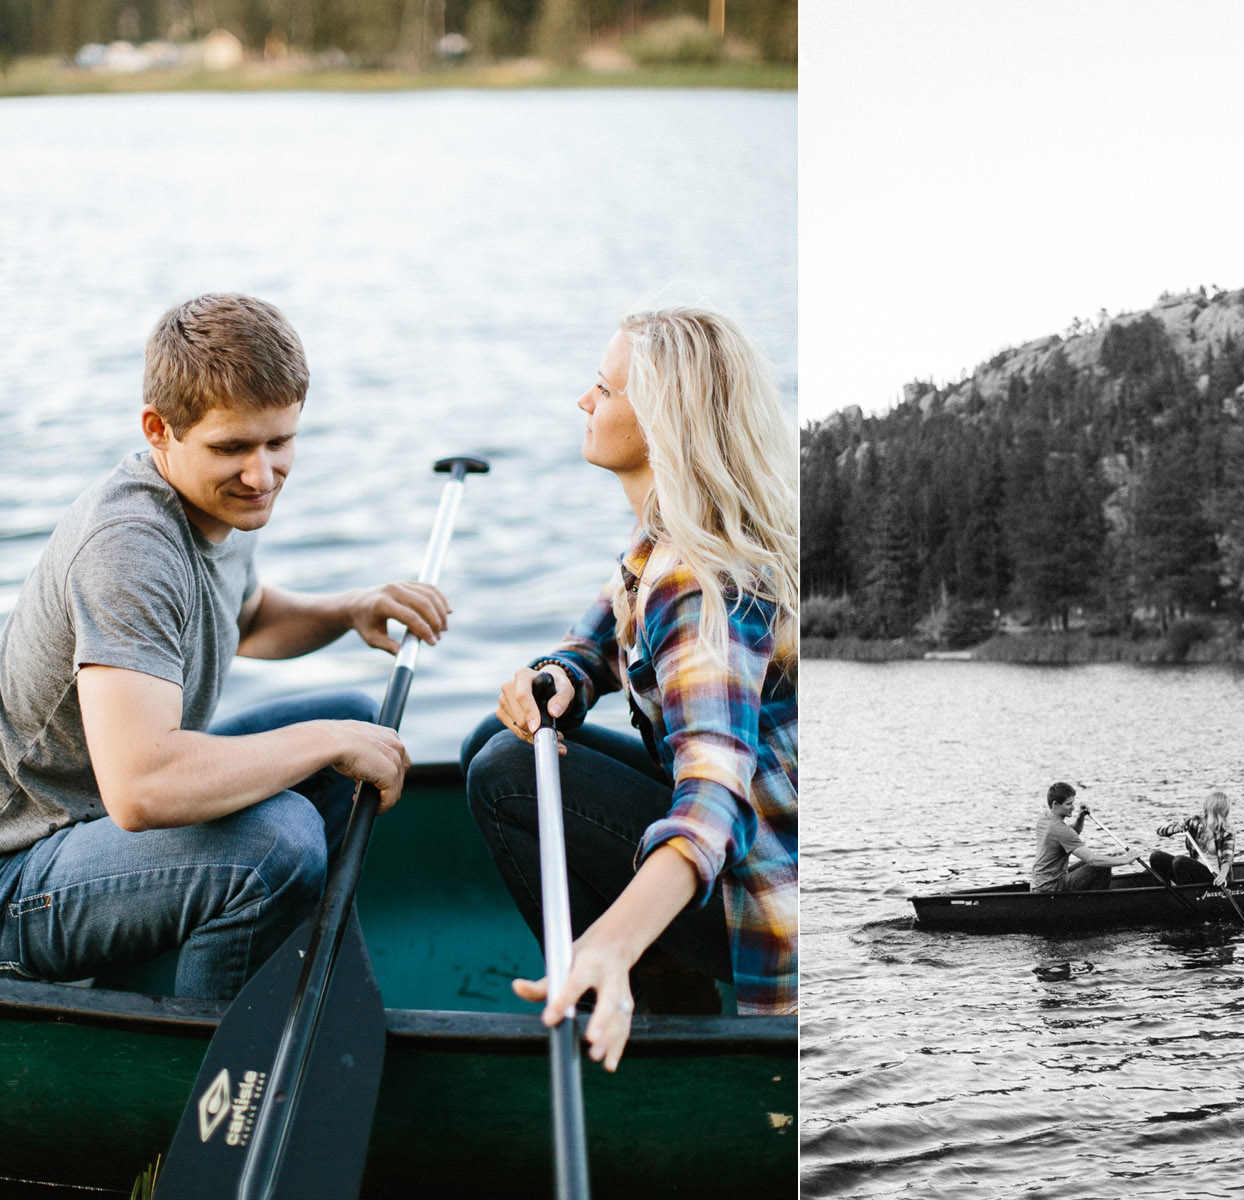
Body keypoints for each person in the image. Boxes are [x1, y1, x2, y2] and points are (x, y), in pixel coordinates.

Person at [0, 293, 450, 1001]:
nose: (262, 475)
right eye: (233, 448)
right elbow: (143, 786)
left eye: (280, 442)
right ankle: (203, 1066)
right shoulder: (129, 548)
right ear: (159, 430)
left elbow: (246, 619)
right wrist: (322, 740)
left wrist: (347, 609)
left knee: (352, 716)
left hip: (100, 837)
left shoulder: (219, 499)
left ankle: (308, 989)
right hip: (21, 876)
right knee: (278, 841)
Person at [462, 306, 798, 1073]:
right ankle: (662, 991)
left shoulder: (693, 578)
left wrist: (609, 938)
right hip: (750, 856)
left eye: (603, 389)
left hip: (764, 900)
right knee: (497, 741)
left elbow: (717, 793)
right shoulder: (666, 535)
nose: (585, 402)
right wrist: (555, 678)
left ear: (659, 423)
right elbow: (595, 649)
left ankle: (633, 991)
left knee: (507, 776)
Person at [1031, 781, 1138, 891]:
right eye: (1068, 804)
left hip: (1038, 883)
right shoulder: (1062, 831)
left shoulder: (1044, 819)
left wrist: (1080, 817)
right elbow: (1091, 860)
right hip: (1051, 887)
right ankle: (1097, 904)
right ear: (1055, 805)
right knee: (1101, 867)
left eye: (1073, 803)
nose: (1072, 807)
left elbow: (1071, 834)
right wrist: (1125, 859)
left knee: (1100, 861)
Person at [1149, 789, 1236, 885]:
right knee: (1156, 856)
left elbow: (1227, 859)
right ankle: (1163, 892)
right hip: (1195, 873)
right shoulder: (1195, 822)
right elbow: (1160, 831)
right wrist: (1176, 828)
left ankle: (1187, 892)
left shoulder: (1226, 832)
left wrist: (1222, 876)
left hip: (1215, 877)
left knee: (1179, 861)